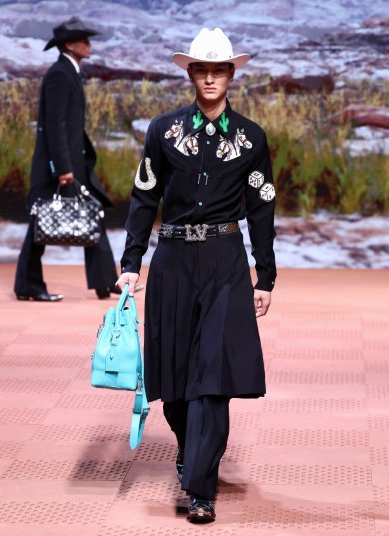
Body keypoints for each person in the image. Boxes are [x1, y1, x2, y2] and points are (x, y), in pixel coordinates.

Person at [115, 28, 277, 523]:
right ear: (190, 74)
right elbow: (145, 198)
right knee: (177, 380)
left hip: (226, 262)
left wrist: (264, 275)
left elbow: (263, 208)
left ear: (232, 75)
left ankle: (201, 488)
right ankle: (191, 451)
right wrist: (130, 263)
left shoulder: (251, 138)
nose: (210, 78)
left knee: (213, 376)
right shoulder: (163, 132)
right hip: (174, 263)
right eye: (201, 70)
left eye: (219, 70)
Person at [15, 17, 134, 301]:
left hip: (74, 164)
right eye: (84, 40)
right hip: (59, 167)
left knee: (93, 215)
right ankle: (29, 286)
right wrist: (63, 168)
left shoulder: (70, 72)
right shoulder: (59, 74)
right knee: (40, 224)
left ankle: (106, 281)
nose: (89, 45)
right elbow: (54, 125)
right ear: (70, 44)